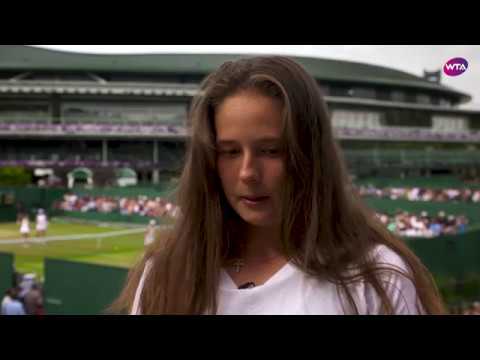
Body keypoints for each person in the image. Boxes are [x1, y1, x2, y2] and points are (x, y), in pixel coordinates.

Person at [111, 56, 445, 315]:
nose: (247, 173)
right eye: (229, 152)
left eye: (271, 151)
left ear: (310, 155)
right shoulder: (166, 275)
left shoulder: (377, 277)